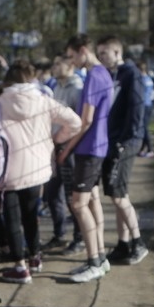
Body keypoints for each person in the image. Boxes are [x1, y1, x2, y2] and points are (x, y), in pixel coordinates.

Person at [0, 59, 81, 284]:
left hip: (6, 170)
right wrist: (56, 139)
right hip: (37, 168)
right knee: (31, 215)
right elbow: (75, 122)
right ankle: (35, 258)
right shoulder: (43, 99)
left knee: (13, 219)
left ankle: (20, 266)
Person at [59, 35, 114, 283]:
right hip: (96, 147)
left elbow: (86, 120)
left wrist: (66, 148)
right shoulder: (103, 74)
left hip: (89, 148)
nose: (72, 61)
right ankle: (99, 258)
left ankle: (94, 260)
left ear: (82, 51)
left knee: (79, 204)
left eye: (72, 56)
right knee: (91, 200)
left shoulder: (93, 75)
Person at [96, 36, 148, 265]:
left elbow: (137, 108)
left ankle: (138, 243)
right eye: (98, 54)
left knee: (118, 195)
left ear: (117, 52)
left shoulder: (131, 74)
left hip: (125, 141)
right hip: (113, 139)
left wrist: (126, 139)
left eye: (104, 53)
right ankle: (123, 244)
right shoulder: (110, 74)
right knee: (116, 194)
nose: (101, 58)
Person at [44, 54, 85, 249]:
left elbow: (80, 124)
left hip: (70, 150)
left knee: (72, 196)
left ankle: (80, 237)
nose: (54, 67)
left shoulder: (77, 89)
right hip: (55, 147)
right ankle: (59, 233)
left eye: (58, 63)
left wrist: (68, 147)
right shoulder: (56, 87)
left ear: (70, 65)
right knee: (52, 193)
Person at [138, 62, 154, 158]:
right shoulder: (149, 79)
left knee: (144, 128)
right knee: (144, 127)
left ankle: (150, 149)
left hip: (144, 105)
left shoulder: (141, 80)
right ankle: (142, 148)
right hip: (149, 104)